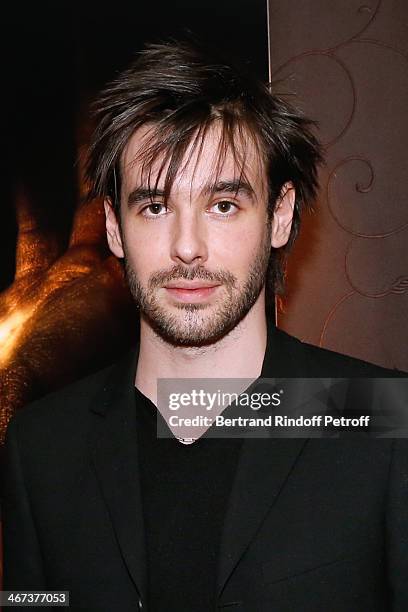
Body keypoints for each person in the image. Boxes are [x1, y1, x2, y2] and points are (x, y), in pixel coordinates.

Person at [2, 39, 407, 612]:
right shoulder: (40, 449)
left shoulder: (386, 425)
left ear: (280, 215)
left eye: (222, 205)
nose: (187, 247)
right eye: (155, 206)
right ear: (115, 228)